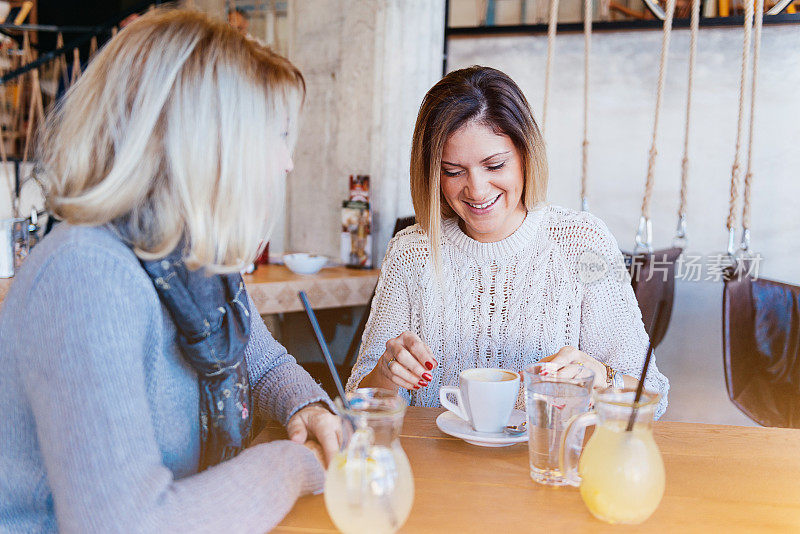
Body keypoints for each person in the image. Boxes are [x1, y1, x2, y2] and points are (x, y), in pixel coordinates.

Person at [0, 9, 340, 532]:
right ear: (207, 143)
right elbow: (123, 525)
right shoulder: (88, 276)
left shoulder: (187, 260)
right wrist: (292, 467)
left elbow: (264, 364)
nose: (287, 162)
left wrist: (305, 406)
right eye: (277, 134)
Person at [346, 66, 669, 417]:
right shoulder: (411, 252)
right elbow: (358, 401)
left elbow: (653, 395)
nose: (477, 190)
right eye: (453, 171)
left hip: (545, 462)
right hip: (437, 467)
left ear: (524, 156)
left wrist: (601, 377)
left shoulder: (581, 242)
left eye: (495, 165)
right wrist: (387, 371)